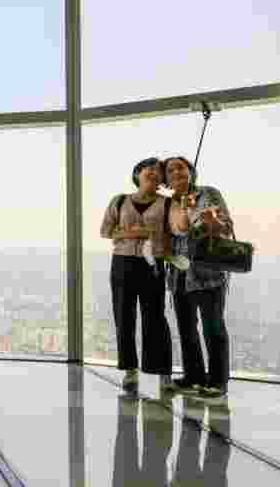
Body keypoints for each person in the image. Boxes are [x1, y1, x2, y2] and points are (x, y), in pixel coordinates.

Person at [99, 158, 174, 394]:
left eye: (157, 170)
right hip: (122, 263)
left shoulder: (168, 203)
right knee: (124, 316)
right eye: (147, 168)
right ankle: (130, 370)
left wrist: (132, 233)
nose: (152, 172)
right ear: (137, 174)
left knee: (155, 318)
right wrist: (138, 233)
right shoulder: (119, 201)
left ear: (162, 180)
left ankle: (163, 373)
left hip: (153, 263)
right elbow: (105, 230)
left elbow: (175, 232)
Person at [161, 156, 233, 399]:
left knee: (213, 328)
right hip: (178, 273)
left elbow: (224, 226)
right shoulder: (169, 203)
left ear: (191, 171)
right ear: (167, 180)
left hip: (206, 273)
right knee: (186, 328)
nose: (176, 173)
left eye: (180, 167)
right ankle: (194, 377)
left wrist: (203, 216)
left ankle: (217, 383)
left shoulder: (208, 193)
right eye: (170, 171)